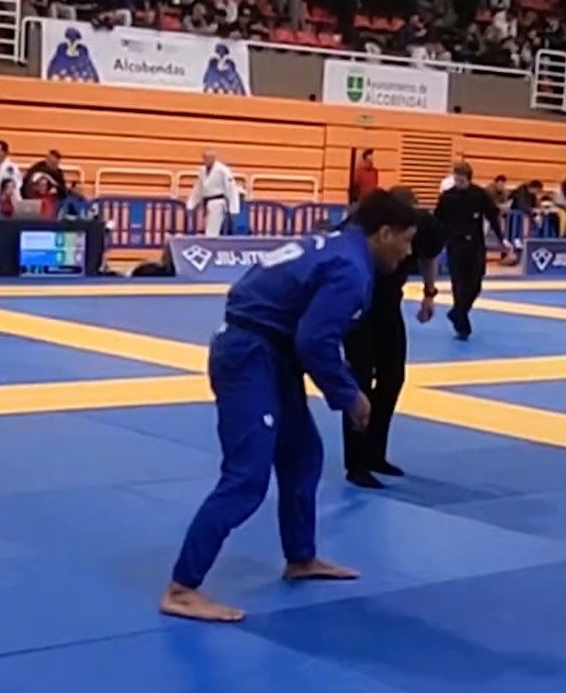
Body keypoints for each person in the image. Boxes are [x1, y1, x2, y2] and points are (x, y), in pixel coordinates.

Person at [159, 191, 420, 623]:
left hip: (267, 349)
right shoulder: (351, 268)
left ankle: (301, 557)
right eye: (406, 240)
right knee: (246, 477)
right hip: (249, 355)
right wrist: (349, 394)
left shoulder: (333, 244)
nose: (408, 252)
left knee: (302, 456)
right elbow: (314, 341)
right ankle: (182, 588)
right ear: (385, 233)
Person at [341, 187, 444, 489]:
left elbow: (428, 255)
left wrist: (429, 293)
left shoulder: (422, 226)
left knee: (393, 377)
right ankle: (356, 463)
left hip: (388, 305)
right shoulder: (360, 226)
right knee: (360, 378)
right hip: (356, 306)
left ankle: (376, 452)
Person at [433, 161, 513, 340]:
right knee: (458, 285)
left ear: (469, 179)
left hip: (475, 244)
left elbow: (492, 216)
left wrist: (501, 239)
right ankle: (462, 326)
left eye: (462, 180)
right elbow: (438, 220)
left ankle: (458, 311)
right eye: (456, 179)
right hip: (455, 245)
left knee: (475, 283)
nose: (459, 183)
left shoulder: (479, 194)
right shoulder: (447, 197)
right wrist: (438, 240)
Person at [185, 149, 242, 236]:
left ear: (214, 158)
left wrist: (234, 209)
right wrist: (191, 204)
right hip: (206, 202)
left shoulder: (223, 170)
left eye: (209, 158)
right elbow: (198, 189)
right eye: (205, 158)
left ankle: (211, 242)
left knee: (212, 231)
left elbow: (231, 189)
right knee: (207, 229)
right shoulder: (202, 171)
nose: (207, 160)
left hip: (218, 202)